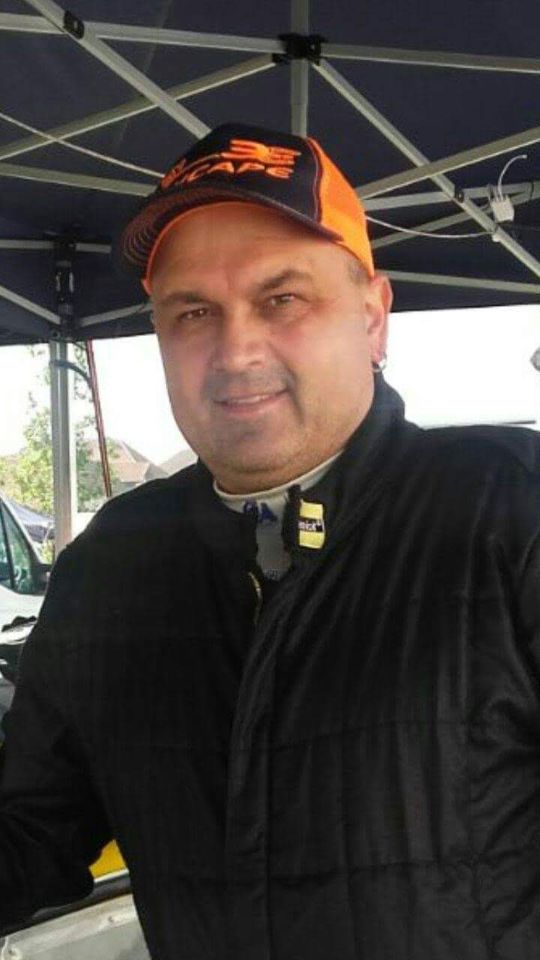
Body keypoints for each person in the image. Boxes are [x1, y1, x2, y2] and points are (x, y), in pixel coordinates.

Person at [0, 122, 539, 960]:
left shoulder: (510, 511)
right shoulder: (114, 565)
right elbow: (32, 831)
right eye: (193, 311)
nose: (235, 349)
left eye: (282, 299)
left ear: (373, 317)